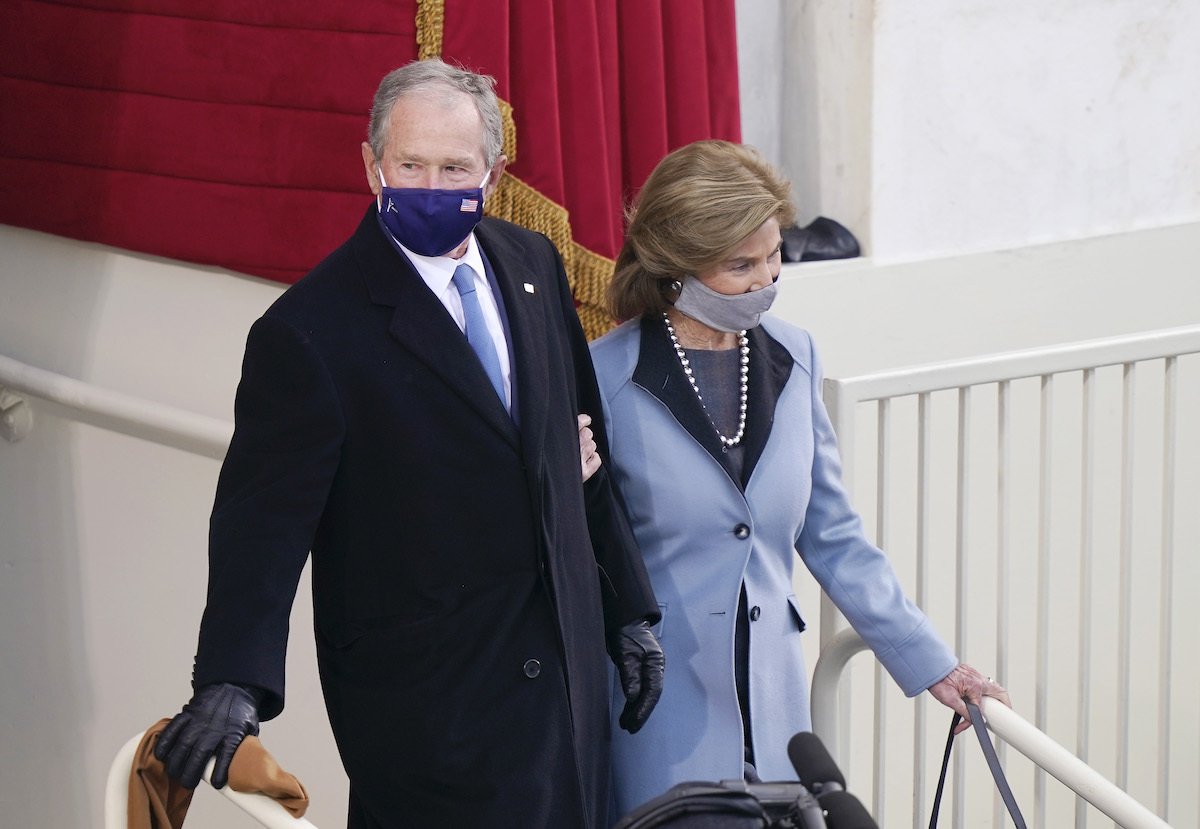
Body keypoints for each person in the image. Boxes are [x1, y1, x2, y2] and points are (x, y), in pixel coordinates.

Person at [154, 58, 665, 829]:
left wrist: (628, 609)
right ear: (371, 165)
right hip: (431, 713)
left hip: (563, 686)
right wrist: (232, 679)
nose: (430, 184)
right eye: (410, 164)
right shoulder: (309, 331)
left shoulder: (533, 263)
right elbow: (263, 524)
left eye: (454, 166)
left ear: (493, 172)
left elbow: (585, 455)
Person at [589, 140, 1010, 819]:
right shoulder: (603, 376)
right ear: (677, 268)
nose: (767, 279)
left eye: (774, 254)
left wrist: (934, 663)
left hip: (777, 715)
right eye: (741, 264)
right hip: (659, 721)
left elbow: (836, 537)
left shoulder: (797, 354)